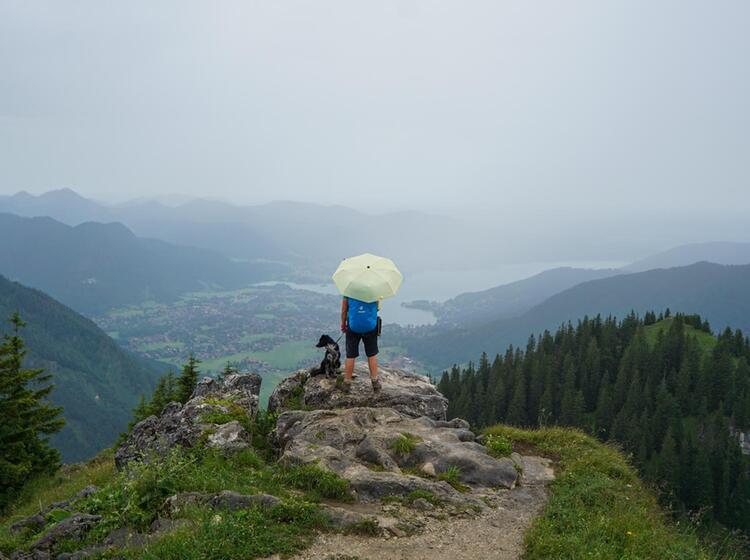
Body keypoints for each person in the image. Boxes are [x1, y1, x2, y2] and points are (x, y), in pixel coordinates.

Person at [340, 296, 381, 393]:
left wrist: (343, 324)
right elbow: (378, 308)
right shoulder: (374, 289)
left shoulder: (349, 290)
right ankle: (375, 383)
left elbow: (344, 310)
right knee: (372, 354)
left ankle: (346, 384)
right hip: (370, 326)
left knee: (350, 355)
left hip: (353, 325)